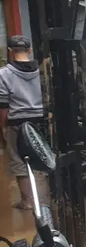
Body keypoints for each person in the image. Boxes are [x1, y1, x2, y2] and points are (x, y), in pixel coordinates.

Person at [0, 35, 44, 210]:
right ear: (29, 50)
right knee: (42, 158)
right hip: (40, 122)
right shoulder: (42, 71)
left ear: (10, 52)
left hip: (17, 122)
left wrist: (3, 126)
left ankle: (27, 201)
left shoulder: (4, 74)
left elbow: (3, 105)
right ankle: (46, 199)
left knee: (19, 162)